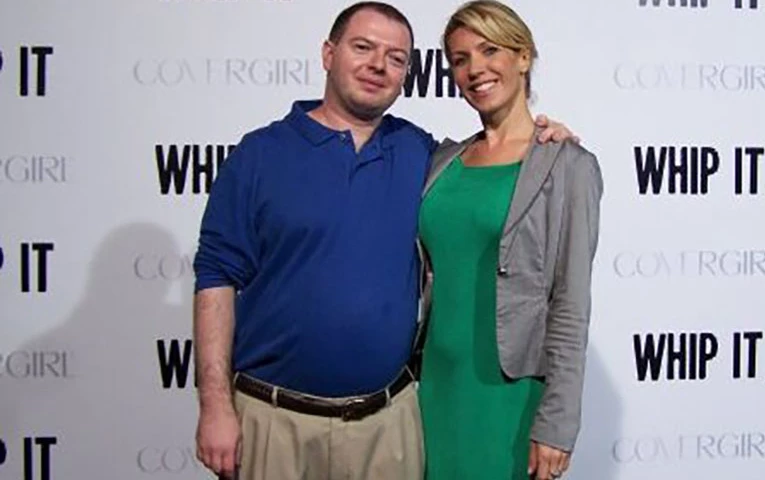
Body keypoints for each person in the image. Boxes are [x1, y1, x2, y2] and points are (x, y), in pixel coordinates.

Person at [191, 2, 576, 480]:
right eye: (363, 47)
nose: (378, 65)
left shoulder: (421, 154)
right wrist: (214, 404)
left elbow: (493, 169)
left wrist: (548, 139)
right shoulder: (260, 154)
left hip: (387, 425)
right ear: (328, 54)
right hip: (274, 420)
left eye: (396, 58)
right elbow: (216, 275)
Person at [416, 2, 603, 480]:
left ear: (523, 57)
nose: (475, 69)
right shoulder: (440, 162)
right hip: (431, 390)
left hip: (510, 397)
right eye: (460, 59)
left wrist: (558, 423)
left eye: (489, 50)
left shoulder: (568, 166)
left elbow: (570, 304)